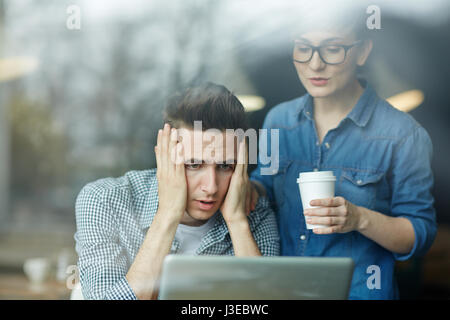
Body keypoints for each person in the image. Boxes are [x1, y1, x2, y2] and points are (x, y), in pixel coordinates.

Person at [249, 6, 437, 299]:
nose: (315, 65)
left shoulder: (403, 134)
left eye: (332, 49)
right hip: (286, 292)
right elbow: (266, 188)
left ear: (362, 52)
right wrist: (240, 186)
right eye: (303, 48)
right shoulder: (278, 121)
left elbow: (420, 234)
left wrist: (359, 218)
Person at [74, 83, 280, 300]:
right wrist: (167, 214)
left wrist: (237, 222)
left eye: (224, 166)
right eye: (193, 165)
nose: (210, 187)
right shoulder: (104, 201)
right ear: (164, 155)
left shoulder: (254, 213)